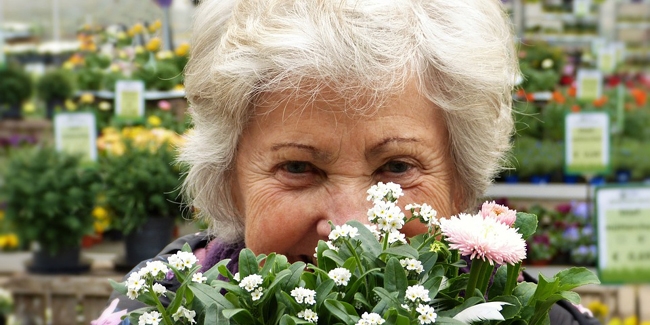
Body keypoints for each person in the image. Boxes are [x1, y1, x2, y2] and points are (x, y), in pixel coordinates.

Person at [94, 0, 600, 324]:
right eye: (298, 168)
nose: (350, 227)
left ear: (463, 185)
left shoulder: (537, 318)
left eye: (398, 168)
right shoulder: (153, 310)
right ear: (226, 182)